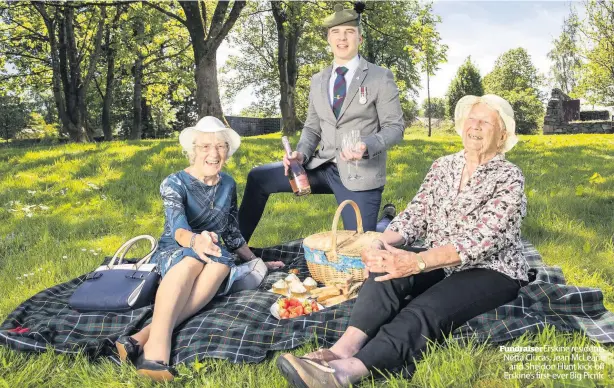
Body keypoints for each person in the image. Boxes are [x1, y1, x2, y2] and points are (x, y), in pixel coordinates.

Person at [276, 95, 530, 387]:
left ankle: (347, 372)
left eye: (485, 122)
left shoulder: (509, 176)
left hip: (492, 269)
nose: (475, 126)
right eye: (472, 119)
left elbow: (481, 241)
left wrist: (415, 262)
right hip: (437, 257)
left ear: (502, 135)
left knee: (426, 308)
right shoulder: (444, 166)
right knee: (384, 271)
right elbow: (415, 214)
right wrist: (380, 243)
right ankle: (340, 350)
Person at [115, 116, 284, 382]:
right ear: (194, 150)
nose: (214, 153)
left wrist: (257, 260)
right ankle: (156, 351)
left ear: (227, 151)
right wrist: (196, 242)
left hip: (215, 252)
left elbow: (230, 231)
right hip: (177, 249)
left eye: (220, 146)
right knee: (194, 261)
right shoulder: (174, 182)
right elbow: (178, 228)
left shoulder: (228, 184)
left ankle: (138, 338)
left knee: (220, 263)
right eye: (206, 147)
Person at [238, 4, 404, 242]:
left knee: (358, 245)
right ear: (328, 38)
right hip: (321, 167)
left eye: (349, 31)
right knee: (258, 177)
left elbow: (395, 128)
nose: (342, 38)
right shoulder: (318, 80)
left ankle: (386, 221)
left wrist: (367, 145)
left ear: (360, 37)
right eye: (336, 32)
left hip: (359, 172)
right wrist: (300, 155)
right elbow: (312, 128)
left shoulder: (380, 77)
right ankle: (234, 250)